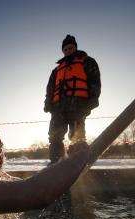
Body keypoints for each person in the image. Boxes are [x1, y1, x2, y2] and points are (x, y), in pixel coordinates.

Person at [44, 34, 101, 164]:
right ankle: (56, 162)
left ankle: (78, 161)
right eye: (65, 49)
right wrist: (48, 104)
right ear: (63, 51)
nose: (68, 51)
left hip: (79, 106)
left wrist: (92, 101)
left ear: (75, 47)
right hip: (58, 108)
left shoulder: (88, 61)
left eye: (70, 48)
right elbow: (50, 88)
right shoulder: (56, 70)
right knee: (55, 136)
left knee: (77, 136)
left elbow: (95, 81)